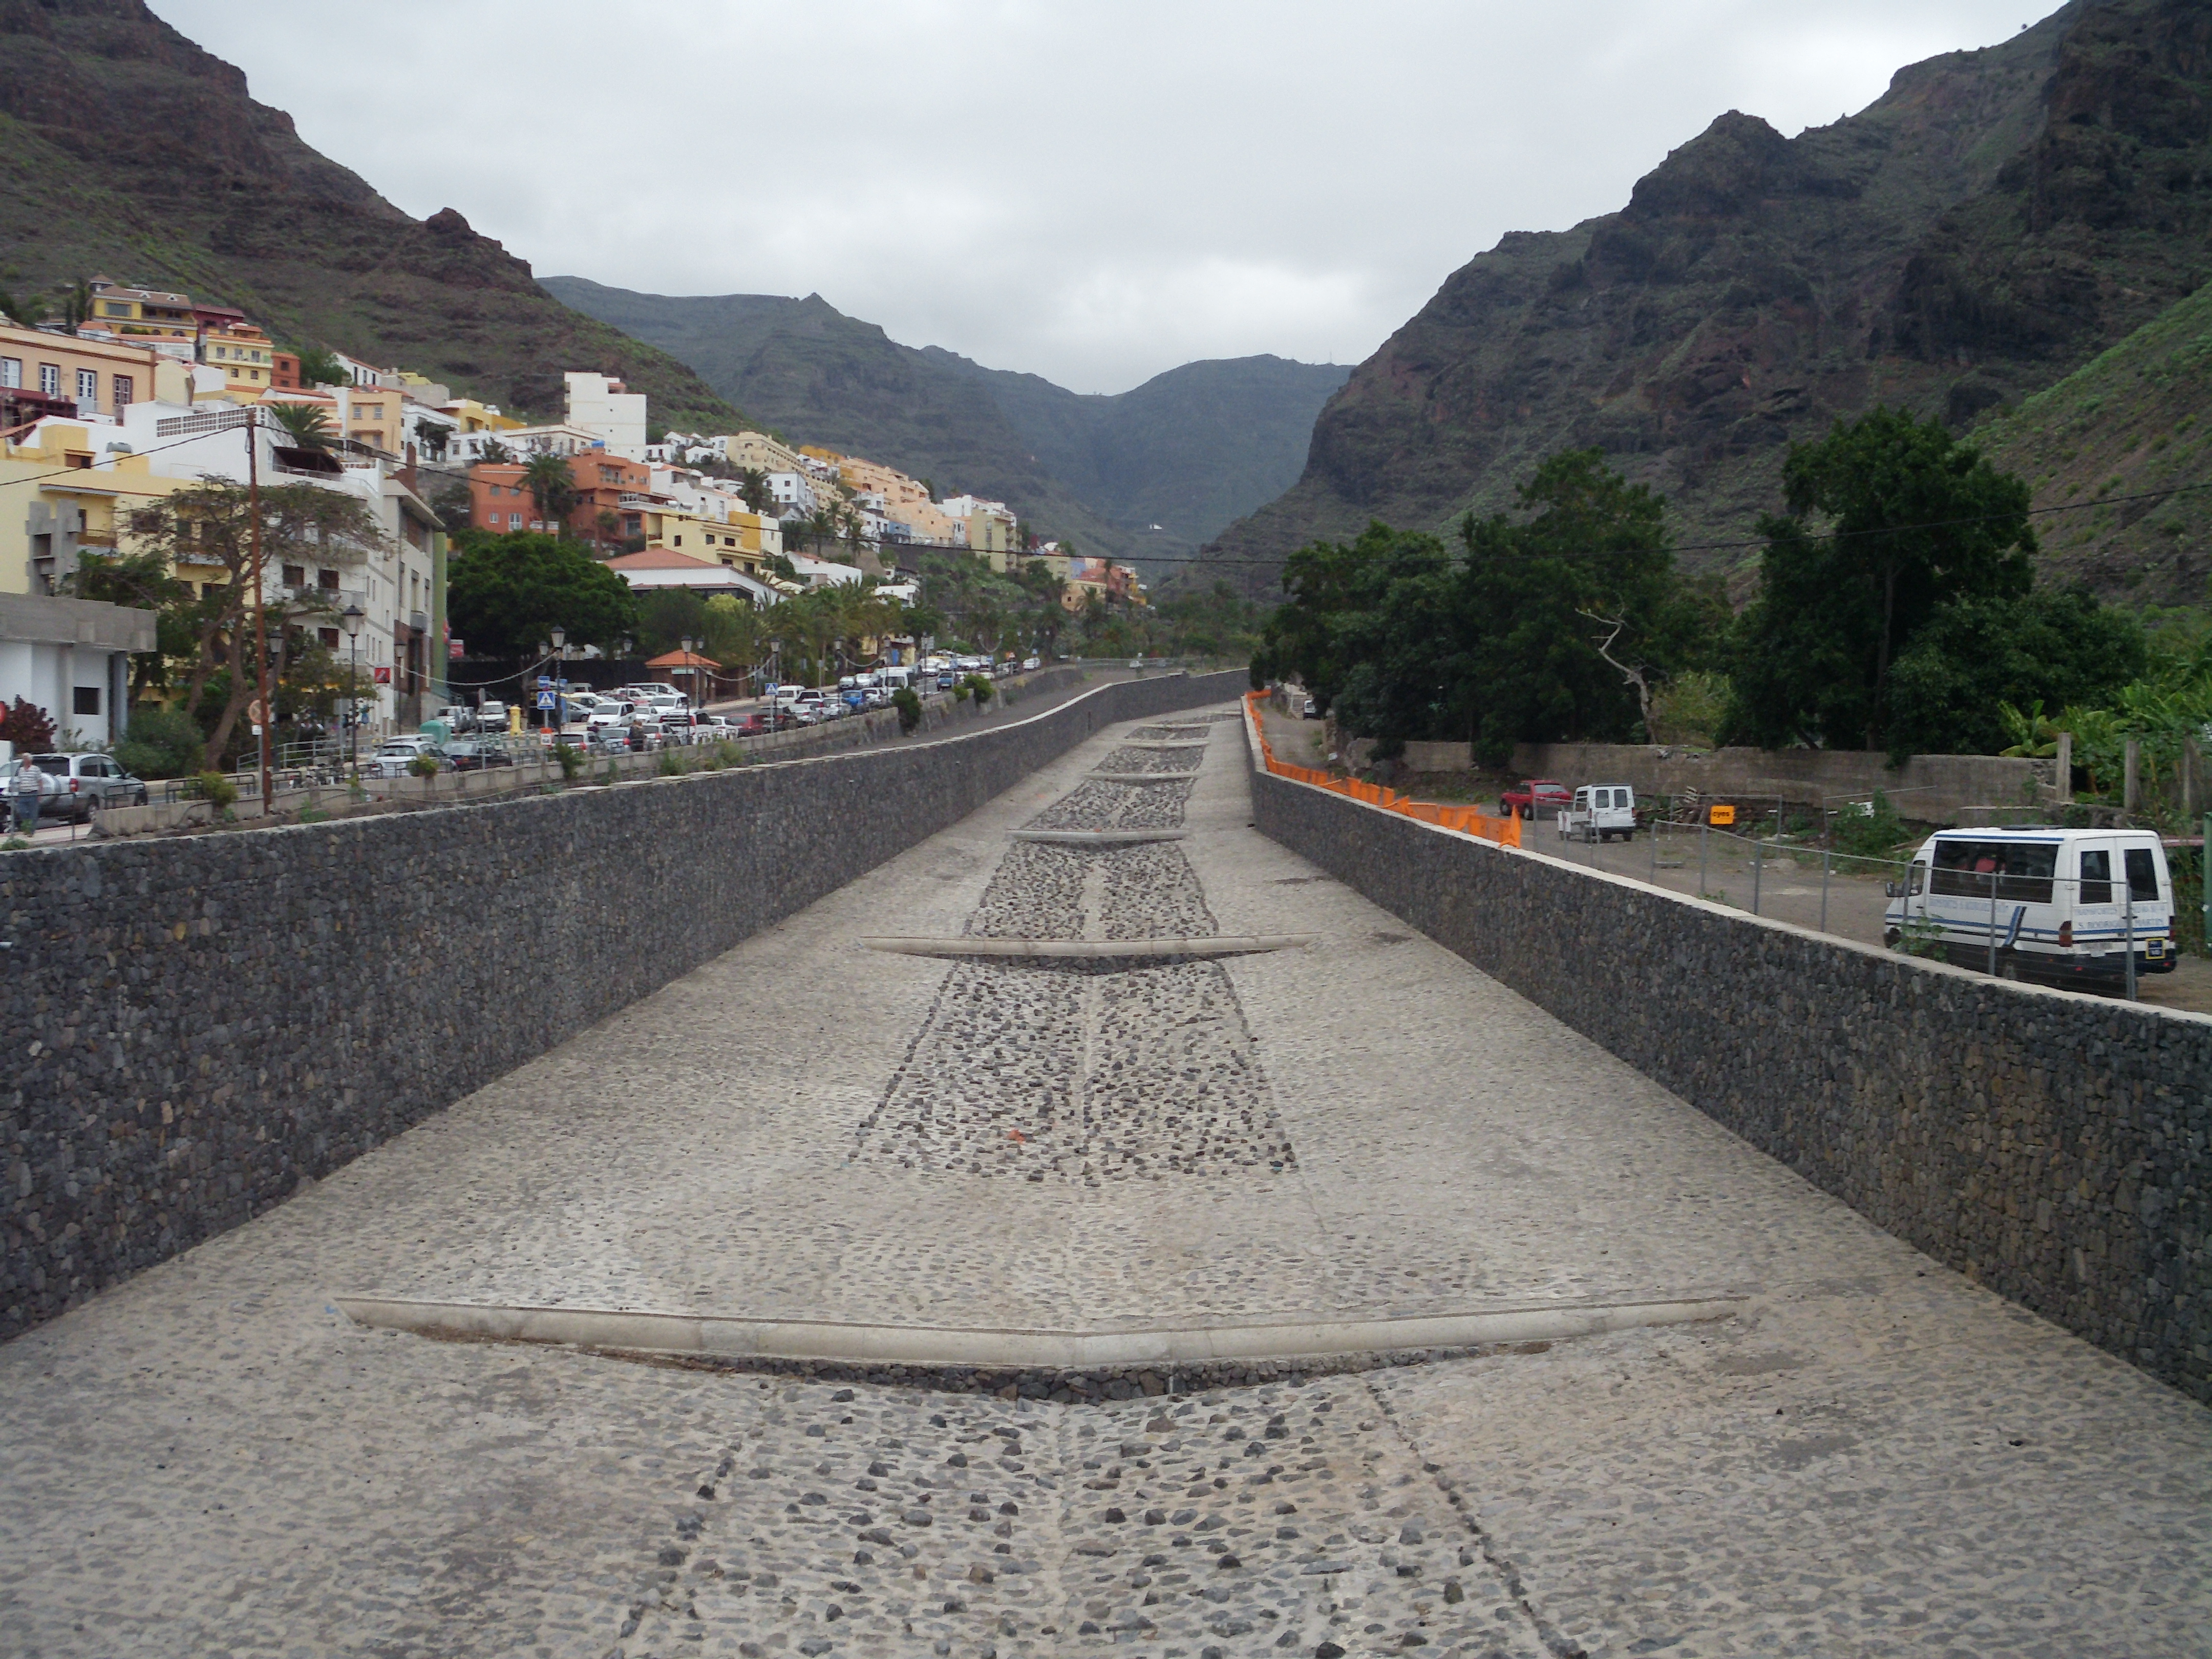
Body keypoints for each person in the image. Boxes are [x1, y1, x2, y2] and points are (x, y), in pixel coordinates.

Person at [11, 761, 42, 835]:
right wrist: (17, 794)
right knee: (22, 811)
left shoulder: (36, 769)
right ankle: (26, 828)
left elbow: (40, 782)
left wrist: (40, 794)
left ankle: (31, 830)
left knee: (33, 813)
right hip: (22, 793)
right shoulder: (21, 770)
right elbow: (19, 782)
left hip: (33, 793)